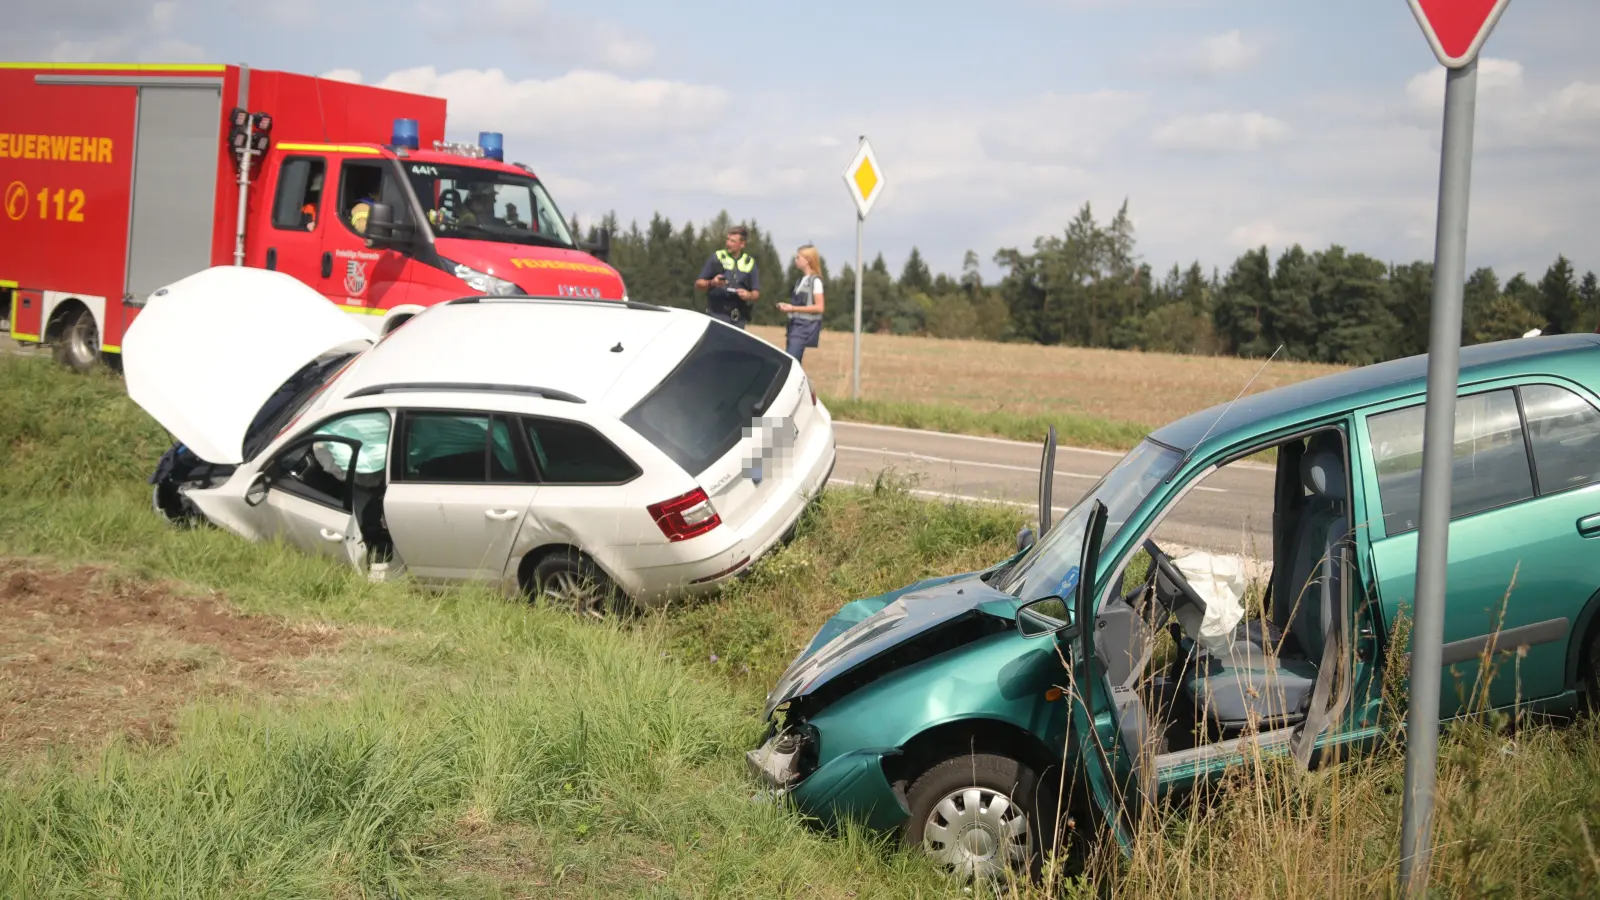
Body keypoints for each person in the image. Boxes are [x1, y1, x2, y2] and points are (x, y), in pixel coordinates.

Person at [695, 225, 761, 329]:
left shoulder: (750, 263)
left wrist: (748, 295)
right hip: (716, 315)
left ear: (742, 244)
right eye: (728, 240)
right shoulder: (717, 257)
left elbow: (756, 293)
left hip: (738, 320)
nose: (728, 244)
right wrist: (712, 283)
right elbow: (698, 284)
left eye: (733, 241)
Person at [778, 244, 825, 363]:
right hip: (794, 326)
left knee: (789, 362)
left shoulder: (816, 281)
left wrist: (792, 308)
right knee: (793, 363)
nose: (795, 260)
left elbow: (820, 307)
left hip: (804, 328)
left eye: (798, 257)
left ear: (808, 260)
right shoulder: (800, 281)